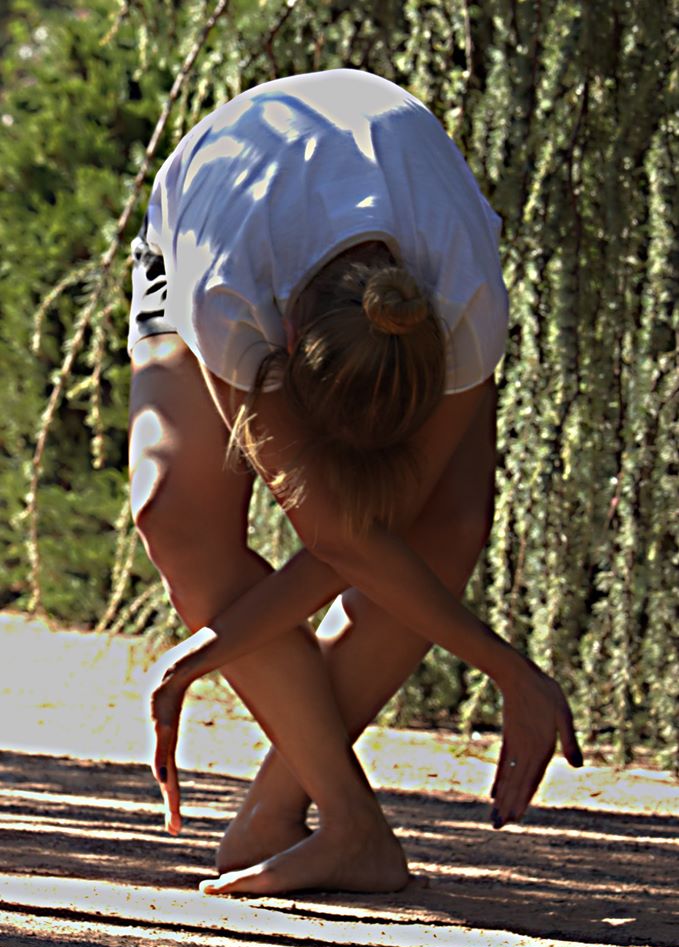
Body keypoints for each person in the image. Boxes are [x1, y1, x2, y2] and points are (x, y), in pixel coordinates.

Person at [127, 68, 582, 896]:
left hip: (400, 217)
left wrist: (204, 652)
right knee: (174, 514)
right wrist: (509, 668)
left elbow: (363, 537)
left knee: (440, 529)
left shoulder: (463, 304)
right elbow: (336, 536)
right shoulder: (232, 302)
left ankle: (286, 814)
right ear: (283, 350)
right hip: (217, 205)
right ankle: (351, 818)